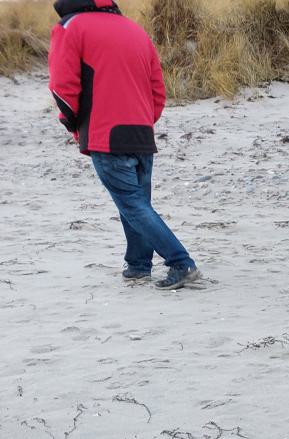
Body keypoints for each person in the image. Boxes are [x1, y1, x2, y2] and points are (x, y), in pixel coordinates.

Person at [48, 0, 200, 289]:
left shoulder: (70, 27)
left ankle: (181, 263)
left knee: (132, 204)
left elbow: (62, 87)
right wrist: (143, 120)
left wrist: (73, 125)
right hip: (142, 131)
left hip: (106, 132)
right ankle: (138, 265)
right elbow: (158, 91)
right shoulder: (134, 29)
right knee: (137, 203)